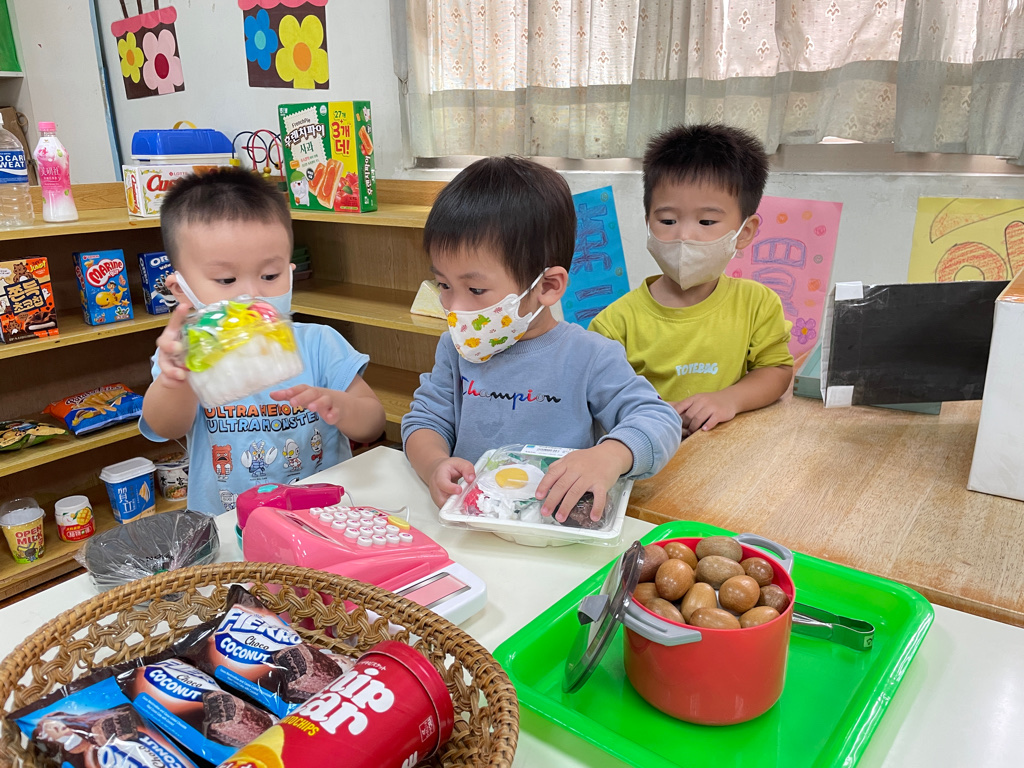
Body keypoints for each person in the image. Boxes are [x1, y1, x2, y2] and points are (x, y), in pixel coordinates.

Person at [401, 156, 682, 521]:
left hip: (553, 524)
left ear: (547, 286)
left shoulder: (589, 355)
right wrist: (434, 464)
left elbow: (658, 418)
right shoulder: (456, 350)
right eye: (443, 285)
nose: (454, 307)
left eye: (475, 289)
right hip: (472, 518)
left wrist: (609, 456)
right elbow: (424, 421)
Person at [140, 168, 385, 515]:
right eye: (226, 280)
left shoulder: (320, 343)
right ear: (182, 289)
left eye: (270, 275)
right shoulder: (186, 356)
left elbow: (374, 422)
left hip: (322, 514)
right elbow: (165, 427)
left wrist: (341, 406)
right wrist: (176, 380)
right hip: (229, 522)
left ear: (290, 272)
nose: (251, 294)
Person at [590, 124, 794, 435]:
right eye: (667, 220)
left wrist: (729, 399)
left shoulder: (757, 304)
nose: (684, 235)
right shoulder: (614, 324)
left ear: (745, 232)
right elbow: (598, 397)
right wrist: (652, 413)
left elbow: (776, 370)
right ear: (648, 223)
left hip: (728, 449)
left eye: (707, 221)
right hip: (650, 452)